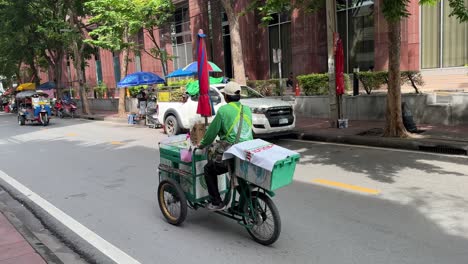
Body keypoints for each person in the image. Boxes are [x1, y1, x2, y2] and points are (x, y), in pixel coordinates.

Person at [198, 82, 253, 211]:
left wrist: (202, 144)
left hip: (233, 152)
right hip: (248, 151)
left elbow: (211, 133)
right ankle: (243, 205)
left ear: (226, 96)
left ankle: (216, 202)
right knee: (238, 173)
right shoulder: (247, 109)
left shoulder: (223, 111)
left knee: (209, 169)